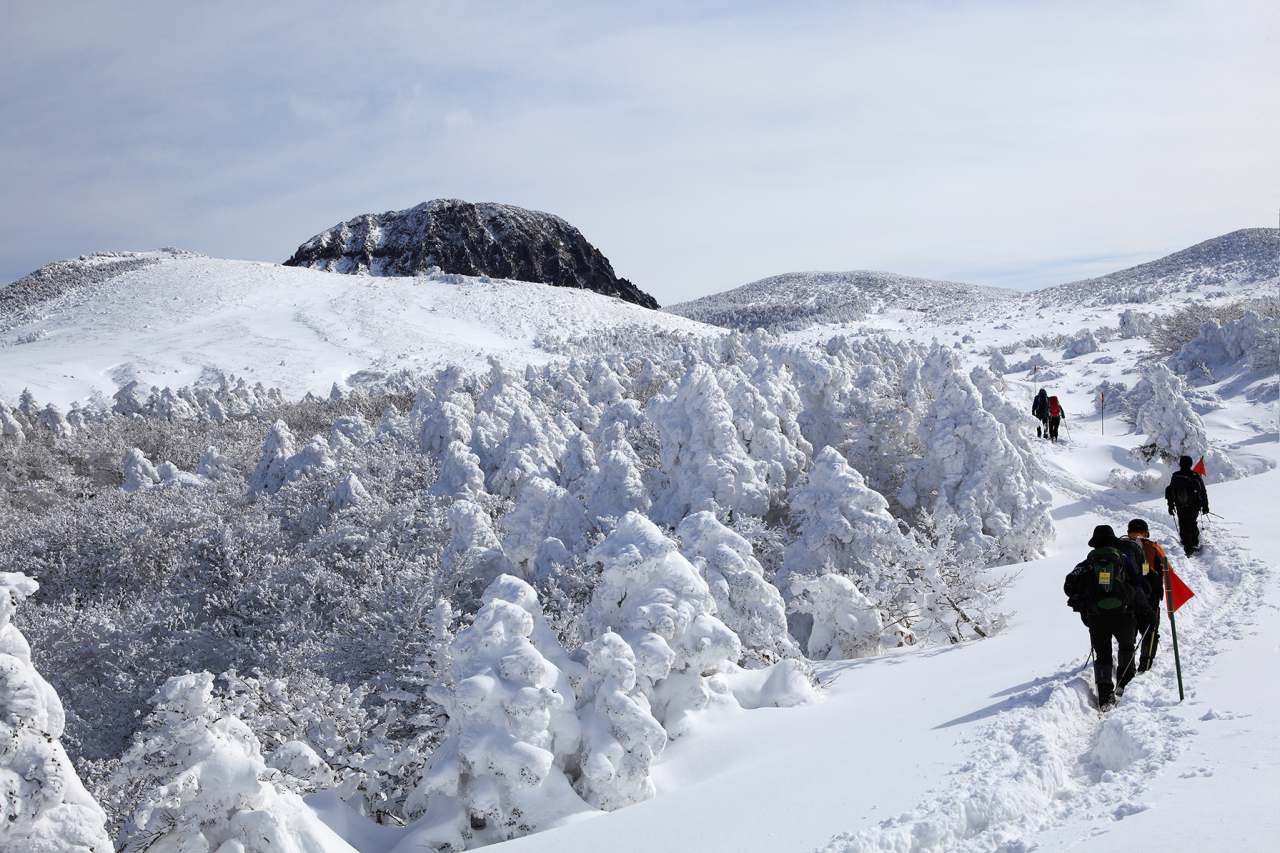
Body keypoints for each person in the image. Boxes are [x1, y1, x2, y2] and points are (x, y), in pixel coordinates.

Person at [1064, 524, 1152, 710]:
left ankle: (1105, 699)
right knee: (1126, 648)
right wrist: (1147, 610)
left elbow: (1070, 589)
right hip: (1125, 614)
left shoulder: (1087, 564)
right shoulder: (1124, 560)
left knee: (1103, 655)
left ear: (1095, 544)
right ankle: (1124, 689)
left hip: (1097, 617)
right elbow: (1136, 587)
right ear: (1113, 542)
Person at [1121, 518, 1169, 672]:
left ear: (1128, 532)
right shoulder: (1153, 546)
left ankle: (1127, 669)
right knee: (1150, 630)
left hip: (1127, 595)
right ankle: (1145, 666)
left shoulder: (1120, 547)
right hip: (1150, 596)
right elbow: (1169, 570)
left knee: (1129, 633)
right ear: (1146, 532)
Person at [1165, 456, 1209, 557]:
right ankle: (1194, 543)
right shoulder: (1195, 475)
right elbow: (1203, 492)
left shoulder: (1176, 476)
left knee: (1184, 523)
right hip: (1195, 505)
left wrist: (1170, 506)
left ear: (1180, 464)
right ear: (1191, 464)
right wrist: (1205, 506)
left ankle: (1187, 546)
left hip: (1181, 505)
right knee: (1192, 522)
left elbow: (1171, 492)